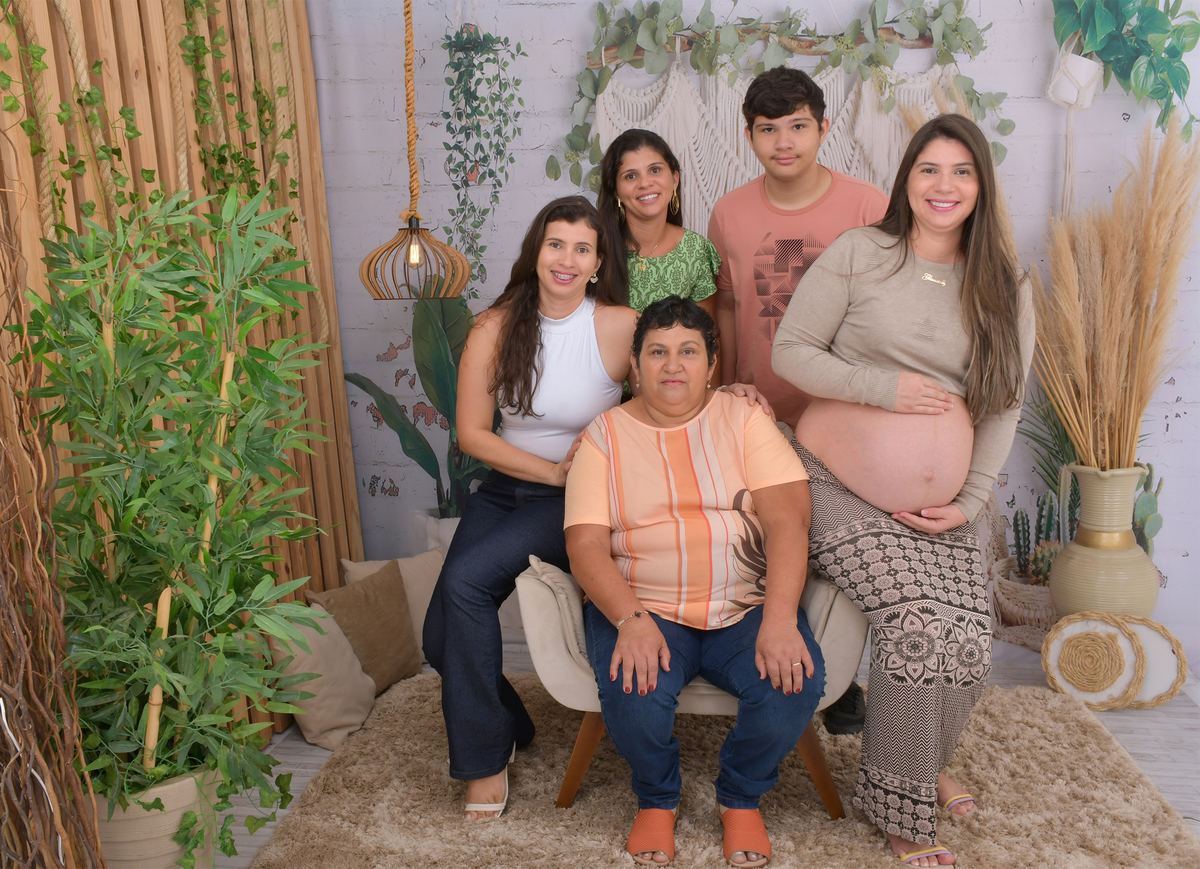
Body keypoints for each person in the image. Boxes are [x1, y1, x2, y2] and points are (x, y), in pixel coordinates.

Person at [771, 114, 1035, 866]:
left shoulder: (1004, 285)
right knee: (917, 622)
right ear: (906, 179)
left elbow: (1004, 404)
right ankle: (901, 810)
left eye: (961, 171)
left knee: (970, 639)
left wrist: (970, 500)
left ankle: (920, 765)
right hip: (831, 481)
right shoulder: (862, 253)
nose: (943, 186)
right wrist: (883, 388)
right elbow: (791, 352)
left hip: (941, 505)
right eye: (929, 169)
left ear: (981, 186)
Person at [565, 297, 826, 869]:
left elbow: (788, 522)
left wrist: (780, 619)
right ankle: (657, 797)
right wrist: (630, 620)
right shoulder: (604, 436)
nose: (672, 365)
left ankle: (741, 796)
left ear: (711, 364)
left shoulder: (745, 420)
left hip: (746, 604)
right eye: (657, 352)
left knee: (793, 684)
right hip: (647, 605)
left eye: (688, 351)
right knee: (632, 691)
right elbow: (584, 545)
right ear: (635, 366)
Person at [422, 196, 637, 820]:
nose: (567, 259)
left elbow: (668, 397)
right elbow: (472, 434)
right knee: (439, 638)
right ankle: (510, 724)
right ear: (536, 252)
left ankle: (483, 763)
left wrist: (602, 443)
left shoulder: (620, 325)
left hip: (576, 501)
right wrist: (550, 469)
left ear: (598, 262)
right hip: (509, 488)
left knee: (465, 581)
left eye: (582, 248)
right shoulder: (495, 325)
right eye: (555, 244)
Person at [709, 65, 887, 431]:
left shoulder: (869, 207)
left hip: (844, 413)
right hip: (758, 412)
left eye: (798, 126)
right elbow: (725, 307)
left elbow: (889, 315)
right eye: (768, 129)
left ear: (823, 129)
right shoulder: (728, 213)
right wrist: (724, 391)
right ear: (749, 136)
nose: (784, 143)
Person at [596, 128, 721, 316]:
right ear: (616, 191)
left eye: (655, 170)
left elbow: (706, 331)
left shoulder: (696, 250)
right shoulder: (595, 248)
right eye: (631, 176)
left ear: (675, 179)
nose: (645, 183)